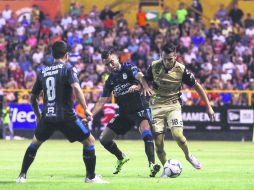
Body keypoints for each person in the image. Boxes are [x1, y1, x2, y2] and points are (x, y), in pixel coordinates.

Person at [16, 40, 107, 184]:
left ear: (52, 54)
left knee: (35, 143)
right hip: (66, 116)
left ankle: (22, 176)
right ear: (67, 55)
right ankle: (90, 177)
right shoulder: (68, 68)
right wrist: (86, 109)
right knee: (89, 141)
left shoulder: (43, 72)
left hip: (48, 116)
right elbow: (76, 89)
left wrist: (38, 115)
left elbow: (33, 98)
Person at [145, 43, 215, 175]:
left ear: (175, 57)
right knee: (159, 146)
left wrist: (209, 106)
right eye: (164, 58)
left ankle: (188, 156)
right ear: (161, 56)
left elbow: (197, 86)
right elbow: (143, 79)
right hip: (155, 107)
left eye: (170, 59)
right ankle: (166, 169)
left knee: (178, 136)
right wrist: (144, 85)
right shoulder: (153, 66)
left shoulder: (181, 70)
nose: (167, 62)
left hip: (173, 105)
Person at [92, 48, 160, 177]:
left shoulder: (128, 68)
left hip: (140, 108)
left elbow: (140, 76)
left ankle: (152, 165)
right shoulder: (110, 79)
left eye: (111, 62)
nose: (110, 66)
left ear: (117, 58)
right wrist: (90, 115)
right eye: (107, 64)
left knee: (146, 131)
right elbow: (102, 101)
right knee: (104, 139)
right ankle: (121, 157)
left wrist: (143, 86)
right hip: (124, 113)